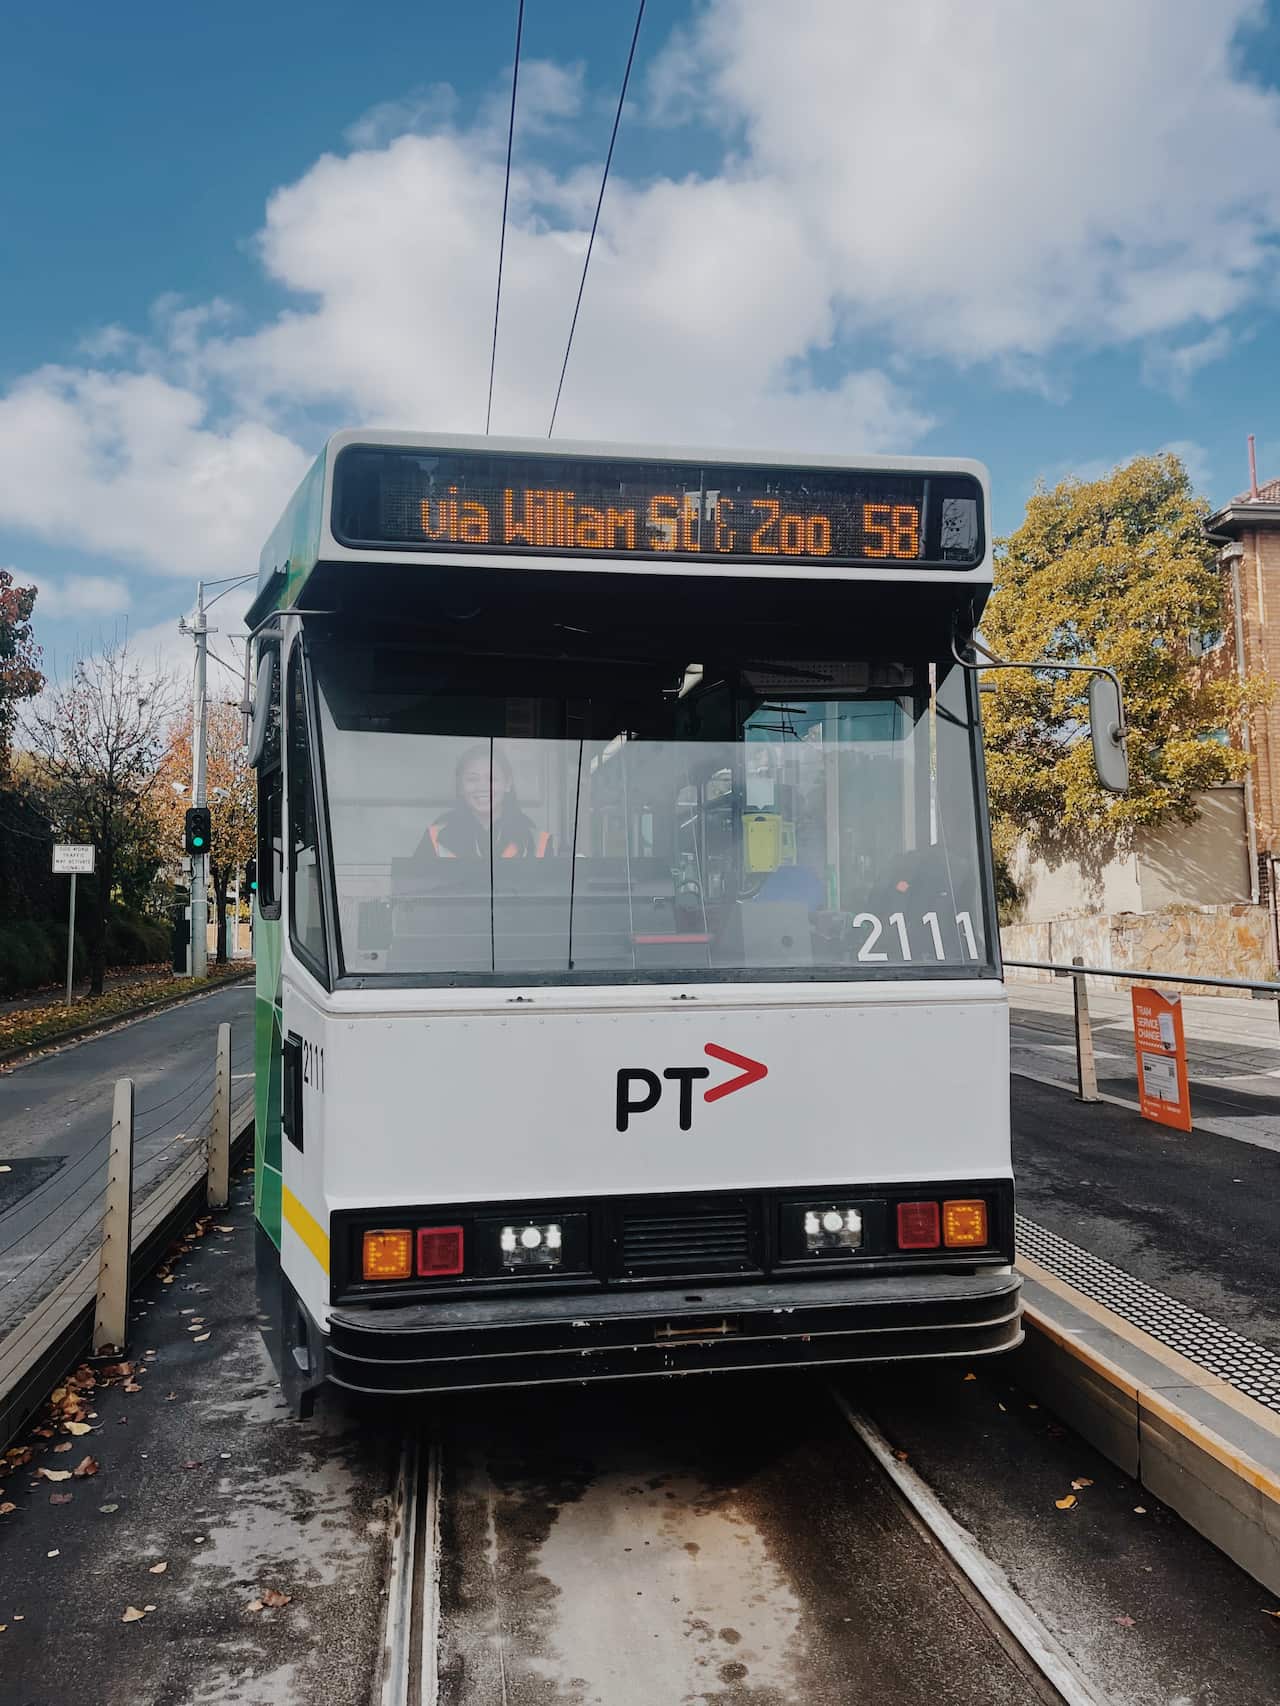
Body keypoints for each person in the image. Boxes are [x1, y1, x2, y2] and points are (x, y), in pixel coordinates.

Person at [420, 744, 551, 860]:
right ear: (460, 786)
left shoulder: (536, 840)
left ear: (508, 784)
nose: (482, 787)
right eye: (472, 779)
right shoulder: (436, 838)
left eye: (491, 779)